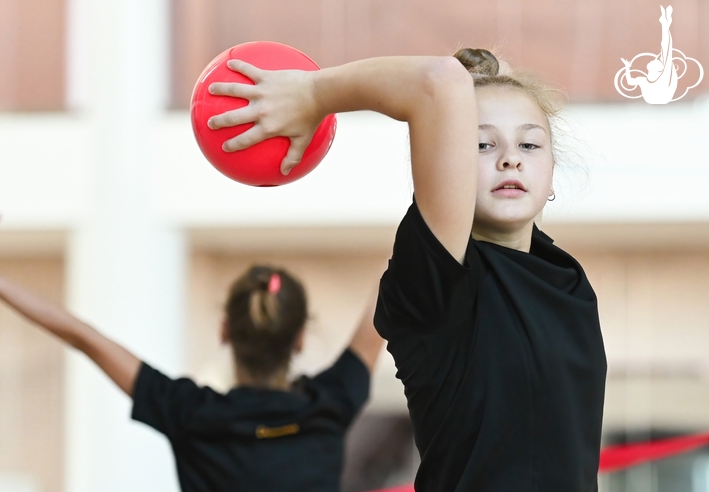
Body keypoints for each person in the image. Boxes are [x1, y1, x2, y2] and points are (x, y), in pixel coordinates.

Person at [206, 48, 607, 491]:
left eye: (530, 145)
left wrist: (490, 80)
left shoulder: (562, 277)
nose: (510, 159)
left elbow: (477, 85)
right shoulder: (438, 282)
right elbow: (437, 81)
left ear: (551, 171)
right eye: (481, 144)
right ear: (450, 163)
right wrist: (314, 94)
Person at [0, 194, 384, 492]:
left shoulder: (189, 412)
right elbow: (392, 301)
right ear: (301, 337)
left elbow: (83, 337)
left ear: (225, 331)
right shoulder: (331, 402)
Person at [621, 5, 678, 104]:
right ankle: (665, 23)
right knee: (665, 50)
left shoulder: (663, 77)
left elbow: (666, 49)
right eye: (656, 60)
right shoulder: (645, 80)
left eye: (656, 61)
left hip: (661, 98)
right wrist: (627, 67)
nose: (653, 59)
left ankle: (665, 23)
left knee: (666, 50)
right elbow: (630, 82)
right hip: (656, 99)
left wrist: (665, 25)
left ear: (658, 69)